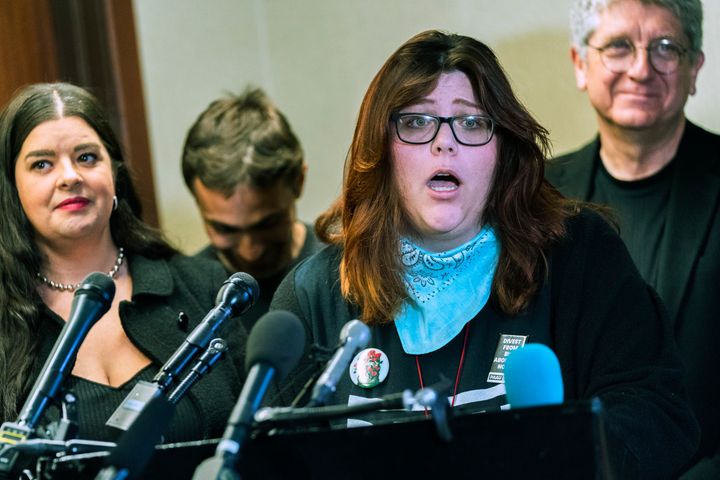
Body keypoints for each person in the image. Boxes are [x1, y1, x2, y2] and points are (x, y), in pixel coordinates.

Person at [270, 30, 699, 477]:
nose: (444, 143)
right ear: (381, 148)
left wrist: (560, 453)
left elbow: (656, 416)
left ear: (502, 151)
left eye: (472, 122)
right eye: (416, 121)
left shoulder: (578, 256)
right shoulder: (315, 294)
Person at [0, 83, 248, 443]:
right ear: (13, 188)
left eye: (86, 157)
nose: (70, 176)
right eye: (42, 164)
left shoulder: (204, 287)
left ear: (114, 173)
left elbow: (257, 444)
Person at [545, 1, 719, 476]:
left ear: (694, 67)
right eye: (619, 46)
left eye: (666, 48)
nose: (642, 69)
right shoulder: (534, 196)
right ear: (581, 64)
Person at [181, 87, 321, 332]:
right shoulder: (187, 295)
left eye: (267, 224)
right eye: (225, 229)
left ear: (298, 182)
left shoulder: (345, 270)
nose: (250, 252)